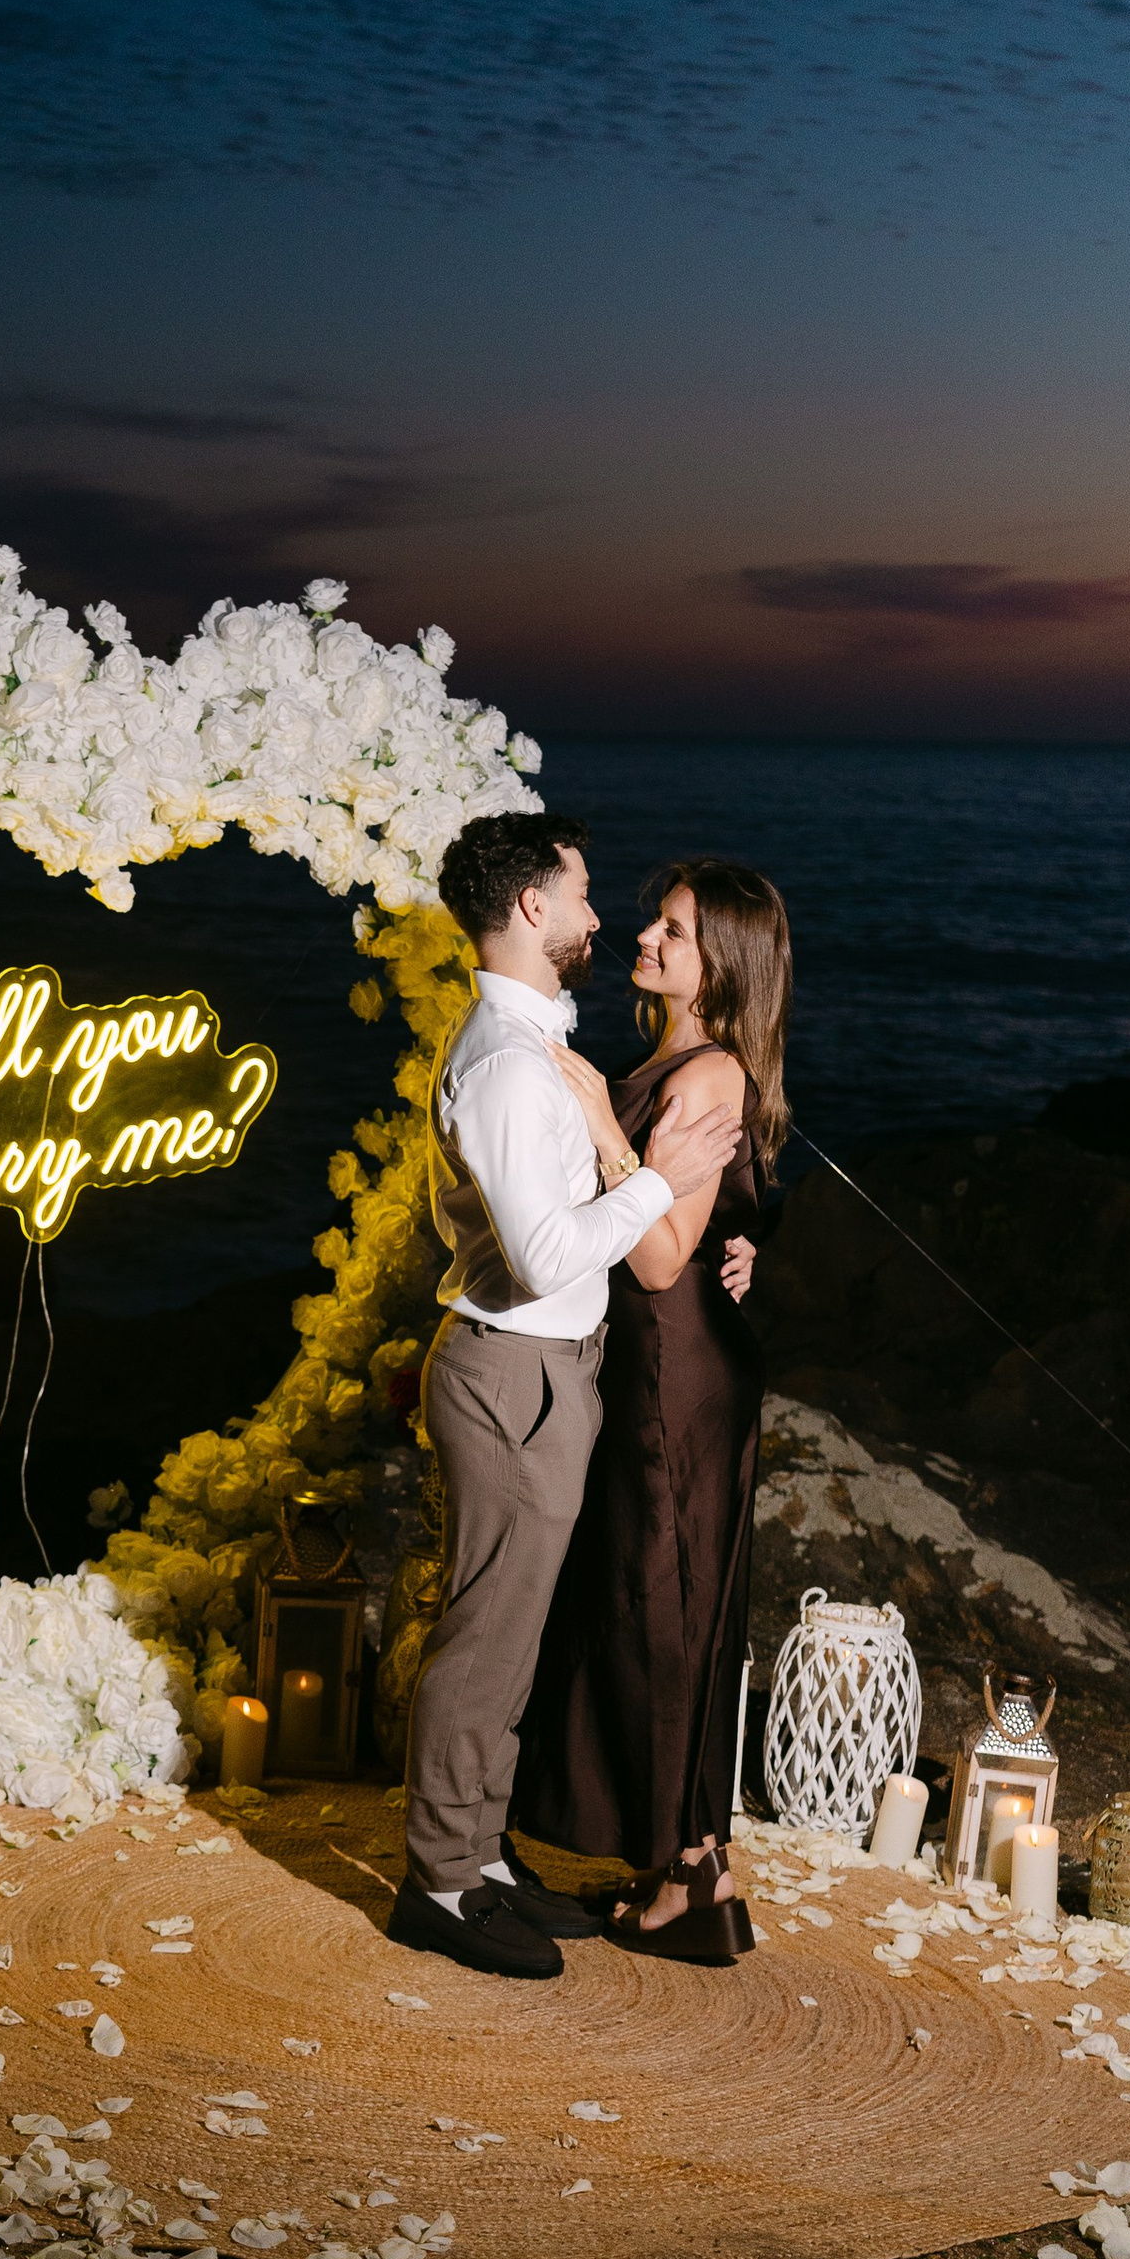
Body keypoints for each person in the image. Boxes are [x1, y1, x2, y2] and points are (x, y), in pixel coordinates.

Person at [389, 815, 746, 1979]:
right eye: (586, 895)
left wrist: (712, 1228)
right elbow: (547, 1258)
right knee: (484, 1641)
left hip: (550, 1374)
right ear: (532, 910)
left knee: (515, 1636)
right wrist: (655, 1186)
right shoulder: (502, 1062)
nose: (603, 920)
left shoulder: (535, 1043)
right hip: (512, 1372)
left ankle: (482, 1858)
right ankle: (439, 1885)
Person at [510, 859, 791, 1964]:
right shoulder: (684, 1061)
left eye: (672, 930)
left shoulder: (705, 1076)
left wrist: (596, 1121)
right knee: (652, 1600)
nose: (646, 937)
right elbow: (722, 1219)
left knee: (660, 1608)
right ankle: (697, 1873)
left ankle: (684, 1874)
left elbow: (667, 1254)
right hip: (658, 1367)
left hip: (673, 1375)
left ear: (719, 964)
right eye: (654, 921)